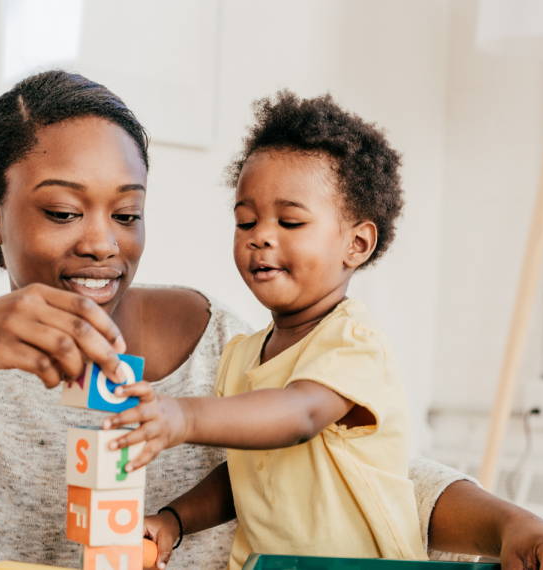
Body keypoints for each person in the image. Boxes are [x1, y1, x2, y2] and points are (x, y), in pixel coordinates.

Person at [0, 70, 543, 570]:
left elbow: (363, 476)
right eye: (60, 210)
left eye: (128, 212)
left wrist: (516, 527)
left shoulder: (232, 343)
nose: (100, 241)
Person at [102, 90, 426, 568]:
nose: (261, 235)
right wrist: (174, 518)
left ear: (356, 243)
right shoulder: (242, 357)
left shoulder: (353, 342)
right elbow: (246, 475)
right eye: (245, 220)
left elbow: (299, 416)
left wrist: (185, 417)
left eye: (290, 221)